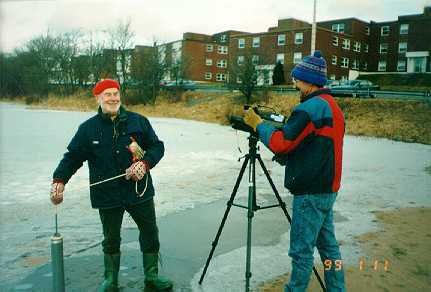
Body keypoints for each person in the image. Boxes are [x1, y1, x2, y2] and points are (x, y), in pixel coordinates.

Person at [50, 79, 173, 291]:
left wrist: (144, 163)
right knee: (111, 238)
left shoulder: (139, 121)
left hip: (139, 190)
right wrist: (59, 180)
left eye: (115, 93)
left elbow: (157, 147)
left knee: (150, 232)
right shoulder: (88, 129)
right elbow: (72, 158)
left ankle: (152, 276)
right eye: (107, 94)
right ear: (98, 98)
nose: (113, 98)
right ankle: (111, 280)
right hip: (106, 194)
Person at [243, 51, 346, 292]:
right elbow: (315, 146)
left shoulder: (310, 108)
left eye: (297, 80)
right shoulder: (333, 107)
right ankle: (336, 288)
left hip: (310, 192)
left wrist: (259, 125)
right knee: (329, 248)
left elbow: (282, 143)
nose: (295, 84)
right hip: (328, 189)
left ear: (309, 81)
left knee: (301, 252)